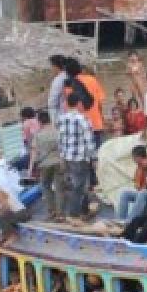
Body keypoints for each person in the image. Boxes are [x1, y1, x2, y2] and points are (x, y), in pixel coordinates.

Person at [57, 92, 96, 220]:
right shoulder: (83, 119)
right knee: (80, 185)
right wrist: (93, 158)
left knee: (76, 184)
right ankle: (75, 213)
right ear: (79, 103)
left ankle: (83, 210)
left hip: (68, 158)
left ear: (67, 104)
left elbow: (60, 140)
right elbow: (89, 141)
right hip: (80, 158)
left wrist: (62, 157)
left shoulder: (61, 119)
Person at [30, 110, 62, 220]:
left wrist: (31, 168)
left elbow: (34, 152)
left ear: (40, 121)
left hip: (44, 164)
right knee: (59, 188)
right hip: (59, 162)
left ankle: (51, 212)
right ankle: (60, 214)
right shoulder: (58, 132)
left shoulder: (38, 135)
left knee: (45, 186)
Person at [117, 145, 147, 222]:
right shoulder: (140, 168)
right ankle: (120, 221)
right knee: (125, 193)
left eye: (134, 158)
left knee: (143, 193)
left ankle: (129, 221)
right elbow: (138, 186)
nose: (133, 160)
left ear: (139, 157)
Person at [10, 107, 40, 173]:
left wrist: (31, 146)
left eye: (21, 116)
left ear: (25, 116)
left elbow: (32, 135)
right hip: (38, 148)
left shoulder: (27, 122)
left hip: (32, 149)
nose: (20, 119)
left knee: (13, 165)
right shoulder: (37, 121)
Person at [47, 54, 69, 120]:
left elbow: (53, 99)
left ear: (55, 66)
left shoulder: (58, 79)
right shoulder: (71, 75)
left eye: (51, 66)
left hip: (63, 112)